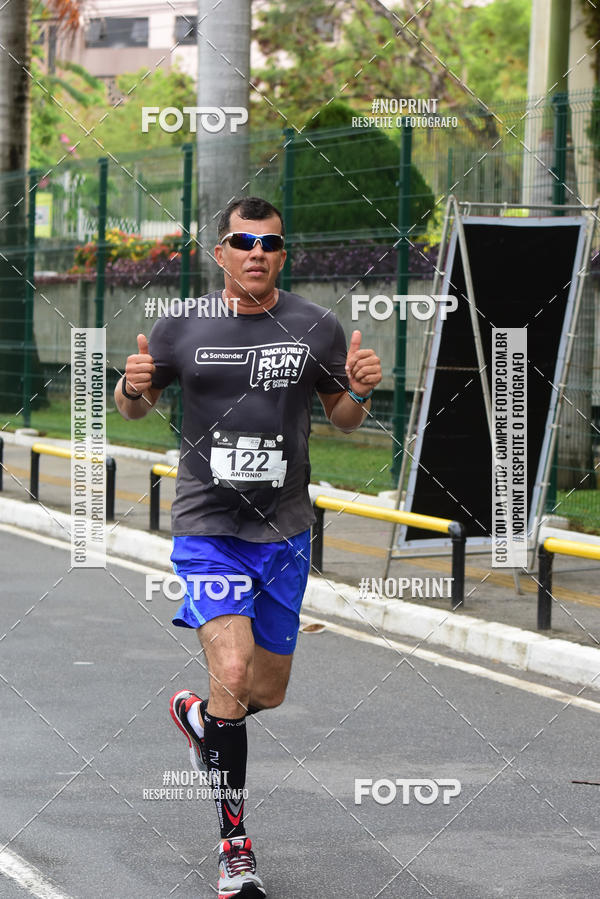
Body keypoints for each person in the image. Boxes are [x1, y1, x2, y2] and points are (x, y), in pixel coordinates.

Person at [114, 196, 382, 898]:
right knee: (231, 666)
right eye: (243, 240)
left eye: (270, 243)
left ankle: (202, 719)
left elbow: (345, 420)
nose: (257, 252)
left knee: (264, 689)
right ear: (221, 253)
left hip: (286, 531)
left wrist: (357, 390)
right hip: (209, 527)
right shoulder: (182, 327)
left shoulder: (314, 327)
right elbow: (135, 404)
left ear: (281, 254)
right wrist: (129, 386)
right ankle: (236, 848)